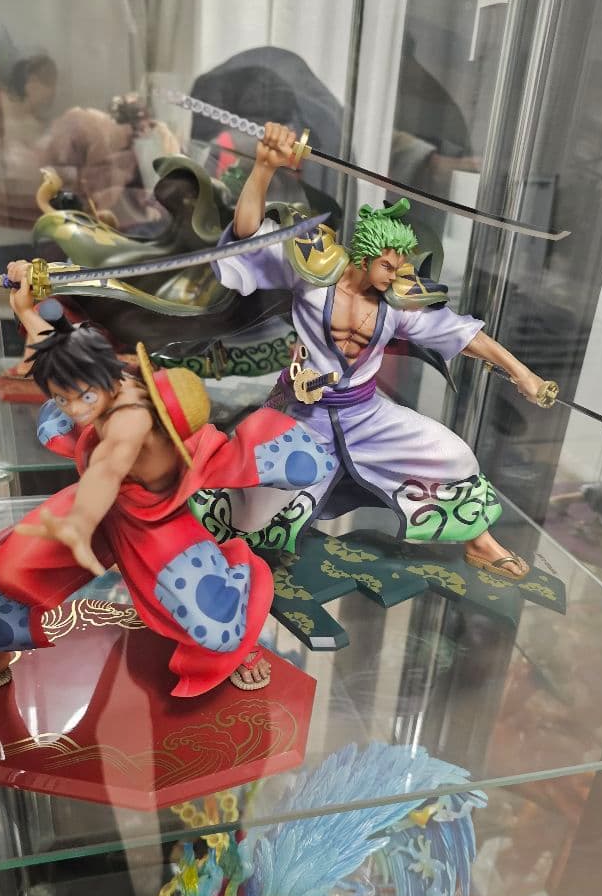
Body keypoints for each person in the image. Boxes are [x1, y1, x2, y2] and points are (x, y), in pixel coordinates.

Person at [0, 262, 335, 709]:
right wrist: (26, 308)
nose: (75, 409)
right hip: (105, 508)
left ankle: (238, 621)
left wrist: (79, 522)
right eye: (64, 398)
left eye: (82, 397)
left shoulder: (140, 424)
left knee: (213, 621)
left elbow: (107, 468)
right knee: (11, 569)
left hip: (155, 525)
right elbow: (59, 348)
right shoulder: (96, 374)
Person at [205, 123, 551, 579]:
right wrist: (265, 167)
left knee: (451, 455)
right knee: (255, 504)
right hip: (303, 414)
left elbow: (465, 336)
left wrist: (523, 373)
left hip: (366, 415)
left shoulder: (397, 304)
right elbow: (249, 238)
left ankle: (481, 543)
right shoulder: (311, 276)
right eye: (387, 265)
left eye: (399, 267)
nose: (394, 275)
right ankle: (223, 551)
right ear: (364, 256)